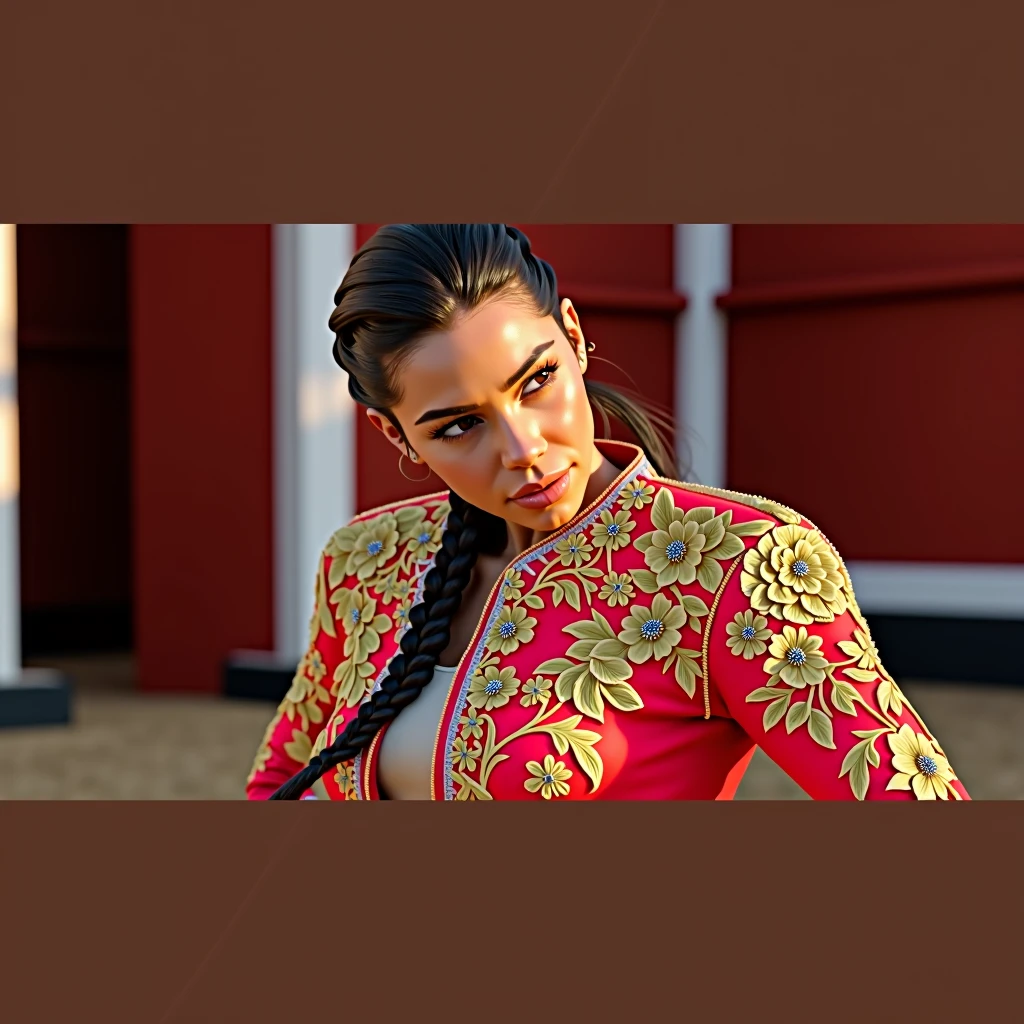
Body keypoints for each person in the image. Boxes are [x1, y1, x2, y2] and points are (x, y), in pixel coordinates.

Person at [246, 224, 969, 802]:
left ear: (575, 335)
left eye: (537, 381)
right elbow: (283, 779)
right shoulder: (368, 560)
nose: (524, 448)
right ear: (393, 433)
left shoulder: (736, 564)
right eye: (459, 426)